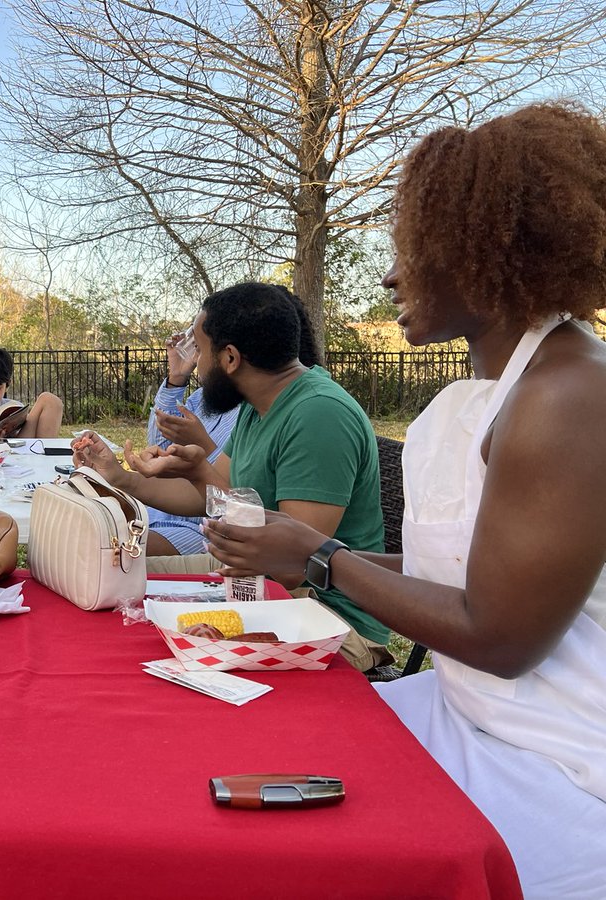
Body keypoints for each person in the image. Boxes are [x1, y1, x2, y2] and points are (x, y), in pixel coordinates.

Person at [201, 103, 606, 895]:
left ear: (485, 248)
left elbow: (499, 635)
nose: (392, 275)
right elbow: (459, 571)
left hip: (554, 760)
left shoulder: (569, 395)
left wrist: (319, 557)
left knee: (287, 858)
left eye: (412, 251)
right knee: (235, 753)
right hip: (458, 712)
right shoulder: (496, 388)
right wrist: (312, 554)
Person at [73, 282, 390, 672]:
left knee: (131, 647)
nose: (198, 367)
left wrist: (201, 481)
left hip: (323, 617)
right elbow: (212, 498)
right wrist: (122, 478)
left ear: (230, 358)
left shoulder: (318, 415)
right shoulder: (260, 406)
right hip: (256, 584)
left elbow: (292, 566)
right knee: (101, 582)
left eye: (202, 352)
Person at [143, 327, 239, 556]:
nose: (196, 358)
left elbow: (235, 493)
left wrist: (203, 445)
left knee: (101, 548)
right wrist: (177, 377)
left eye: (200, 348)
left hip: (198, 528)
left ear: (229, 356)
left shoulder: (254, 410)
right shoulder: (202, 397)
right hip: (155, 510)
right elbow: (160, 446)